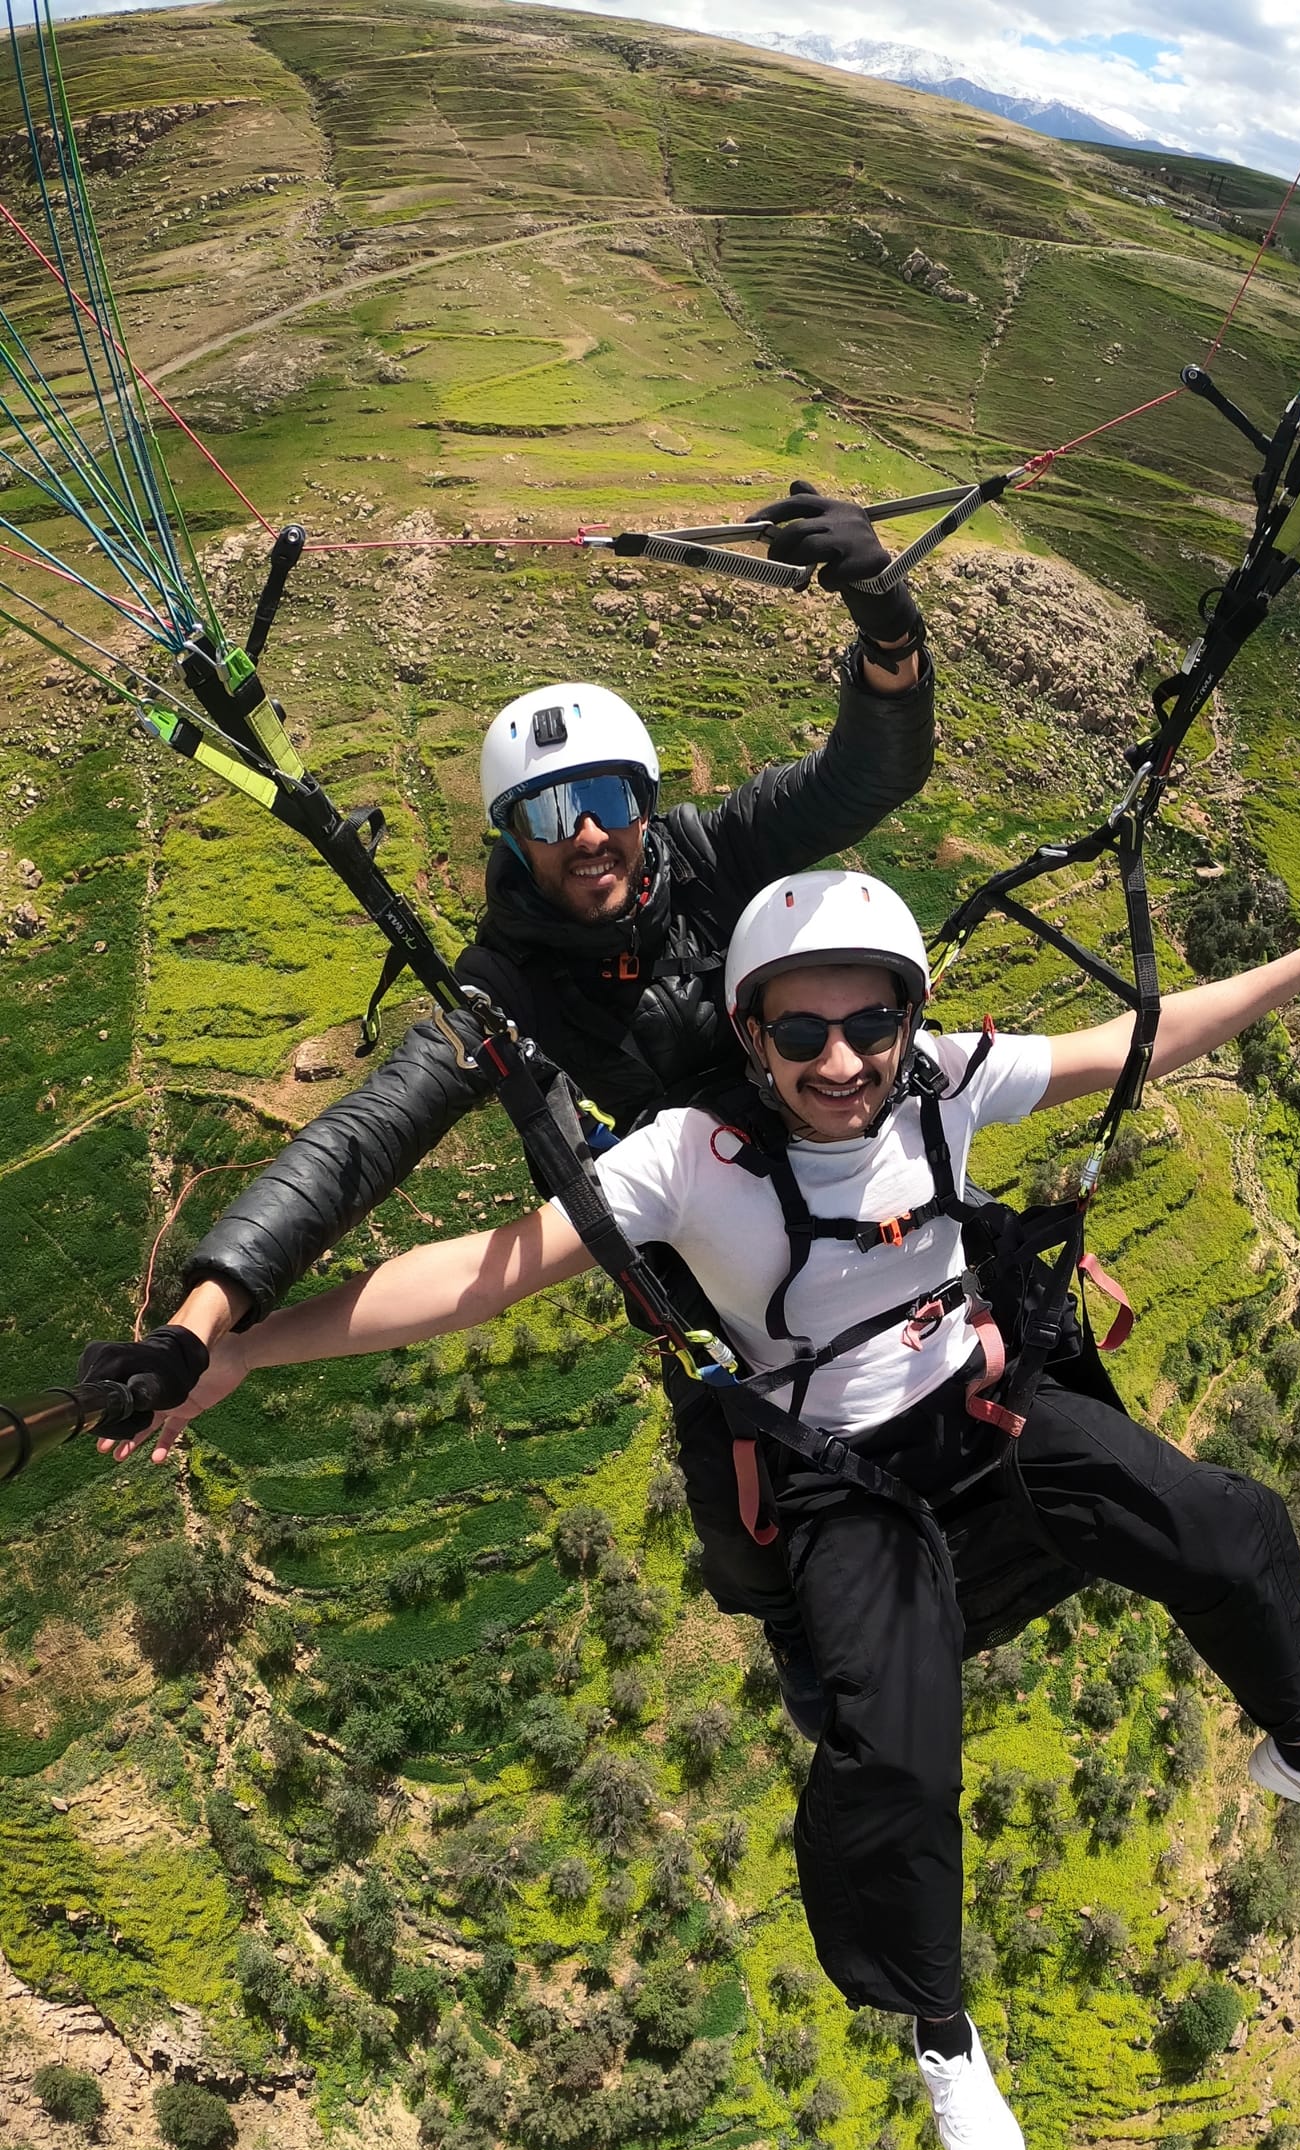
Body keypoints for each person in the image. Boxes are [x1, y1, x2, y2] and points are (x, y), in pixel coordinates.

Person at [165, 869, 1300, 2150]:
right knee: (898, 1759)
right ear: (751, 1034)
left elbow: (1129, 1045)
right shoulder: (686, 1159)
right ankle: (940, 2022)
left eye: (869, 1025)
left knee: (1231, 1526)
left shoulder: (947, 1082)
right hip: (841, 1477)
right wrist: (245, 1343)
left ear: (906, 1020)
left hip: (984, 1405)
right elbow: (479, 1276)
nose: (841, 1062)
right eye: (801, 1032)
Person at [71, 490, 934, 1731]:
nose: (585, 835)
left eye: (607, 800)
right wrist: (207, 1318)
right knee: (743, 1538)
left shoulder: (709, 855)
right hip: (708, 1288)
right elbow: (361, 1141)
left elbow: (868, 772)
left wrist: (885, 622)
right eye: (543, 814)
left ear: (645, 799)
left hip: (840, 1178)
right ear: (510, 840)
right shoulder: (502, 989)